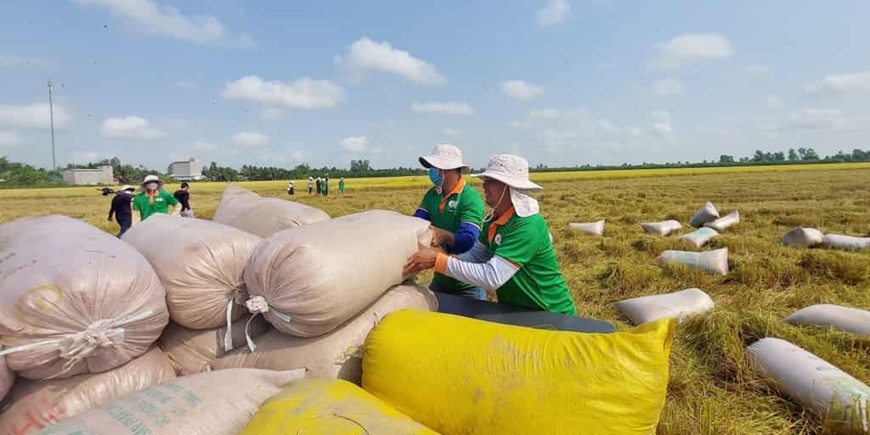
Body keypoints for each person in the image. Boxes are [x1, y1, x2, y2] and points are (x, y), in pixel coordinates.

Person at [405, 154, 578, 315]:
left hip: (549, 312)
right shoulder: (493, 219)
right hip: (517, 310)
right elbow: (475, 255)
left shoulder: (526, 225)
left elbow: (492, 277)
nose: (484, 185)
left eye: (491, 180)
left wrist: (438, 260)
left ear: (508, 186)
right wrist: (441, 256)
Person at [411, 144, 486, 300]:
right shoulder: (432, 195)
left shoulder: (470, 198)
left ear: (450, 169)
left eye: (435, 167)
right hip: (441, 279)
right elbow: (416, 223)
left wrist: (445, 236)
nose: (431, 171)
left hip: (467, 284)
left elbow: (468, 241)